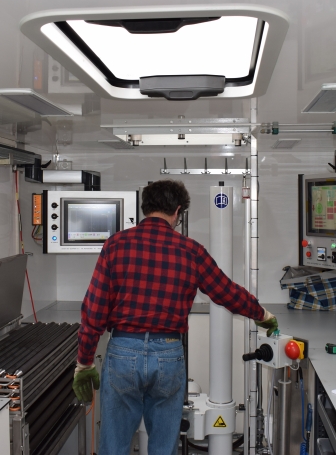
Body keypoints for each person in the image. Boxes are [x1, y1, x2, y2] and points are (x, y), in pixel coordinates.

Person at [72, 179, 279, 455]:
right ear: (177, 211)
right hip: (168, 353)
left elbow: (94, 309)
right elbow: (225, 292)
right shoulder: (191, 250)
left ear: (146, 207)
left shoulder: (115, 245)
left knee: (114, 446)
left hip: (123, 352)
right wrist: (261, 314)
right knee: (163, 447)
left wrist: (84, 362)